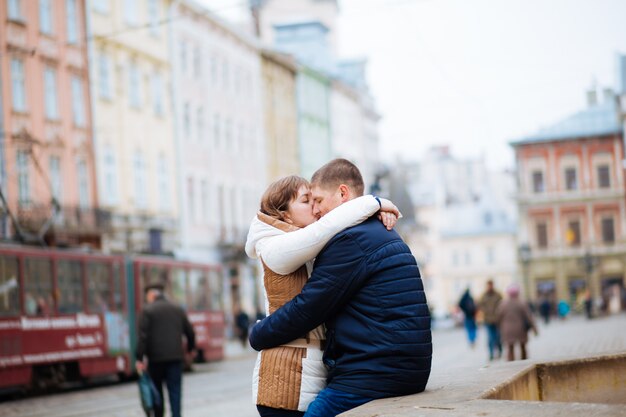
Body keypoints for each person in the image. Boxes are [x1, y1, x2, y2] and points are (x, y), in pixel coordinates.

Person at [249, 159, 432, 417]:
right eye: (309, 202)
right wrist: (376, 205)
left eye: (319, 201)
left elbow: (310, 307)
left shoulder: (350, 240)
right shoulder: (378, 230)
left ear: (343, 194)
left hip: (376, 373)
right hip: (405, 367)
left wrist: (258, 333)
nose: (316, 210)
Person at [136, 284, 196, 417]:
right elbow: (190, 332)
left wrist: (139, 358)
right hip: (175, 359)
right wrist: (191, 349)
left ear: (152, 295)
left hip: (155, 360)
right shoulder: (177, 309)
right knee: (175, 393)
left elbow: (142, 337)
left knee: (157, 393)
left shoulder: (147, 310)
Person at [497, 284, 537, 361]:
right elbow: (529, 317)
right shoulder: (521, 303)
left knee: (510, 348)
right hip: (520, 329)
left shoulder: (503, 304)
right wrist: (534, 329)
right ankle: (524, 362)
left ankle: (511, 364)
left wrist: (499, 326)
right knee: (523, 347)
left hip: (507, 329)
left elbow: (498, 316)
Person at [478, 280, 502, 360]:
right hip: (487, 320)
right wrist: (484, 311)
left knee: (498, 337)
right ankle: (491, 353)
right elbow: (480, 305)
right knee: (490, 337)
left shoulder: (498, 295)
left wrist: (498, 312)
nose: (489, 287)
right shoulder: (483, 296)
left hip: (496, 320)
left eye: (491, 285)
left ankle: (500, 350)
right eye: (488, 285)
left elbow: (501, 304)